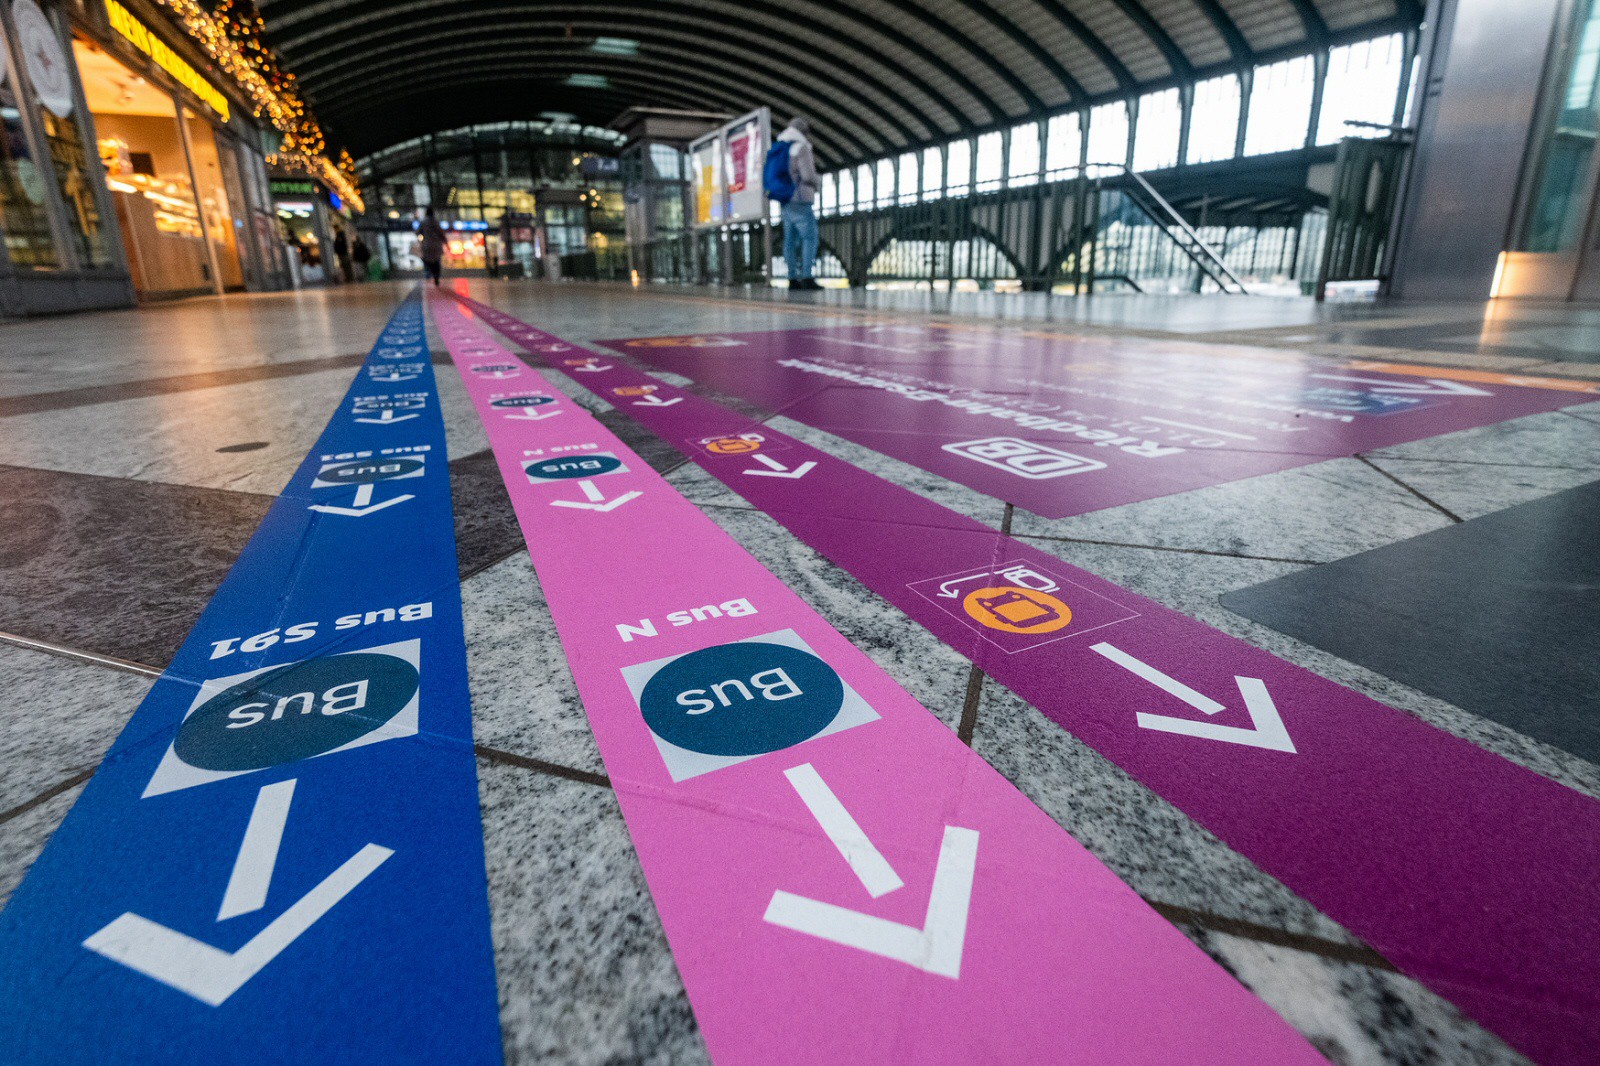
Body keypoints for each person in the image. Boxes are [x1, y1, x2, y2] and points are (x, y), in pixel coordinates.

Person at [776, 117, 821, 290]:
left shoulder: (779, 148)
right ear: (803, 132)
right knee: (809, 237)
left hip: (784, 199)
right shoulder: (801, 147)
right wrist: (818, 181)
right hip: (800, 199)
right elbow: (808, 176)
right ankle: (807, 277)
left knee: (789, 240)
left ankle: (792, 278)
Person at [419, 208, 446, 286]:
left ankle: (428, 272)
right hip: (437, 245)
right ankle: (436, 276)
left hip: (427, 245)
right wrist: (446, 243)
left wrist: (421, 239)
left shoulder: (423, 222)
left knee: (427, 260)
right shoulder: (436, 222)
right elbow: (442, 234)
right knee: (436, 261)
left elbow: (418, 232)